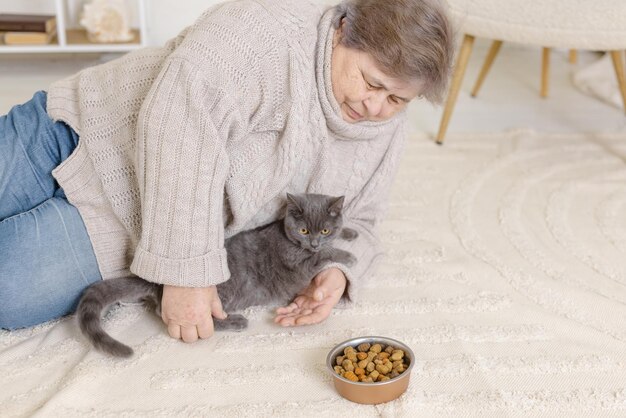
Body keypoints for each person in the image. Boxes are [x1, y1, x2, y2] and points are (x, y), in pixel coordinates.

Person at [0, 0, 453, 343]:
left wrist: (336, 271)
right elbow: (177, 124)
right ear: (342, 31)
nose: (375, 107)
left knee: (8, 292)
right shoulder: (263, 29)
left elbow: (363, 218)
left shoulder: (384, 128)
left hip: (121, 226)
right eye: (370, 82)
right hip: (75, 131)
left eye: (396, 100)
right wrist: (186, 271)